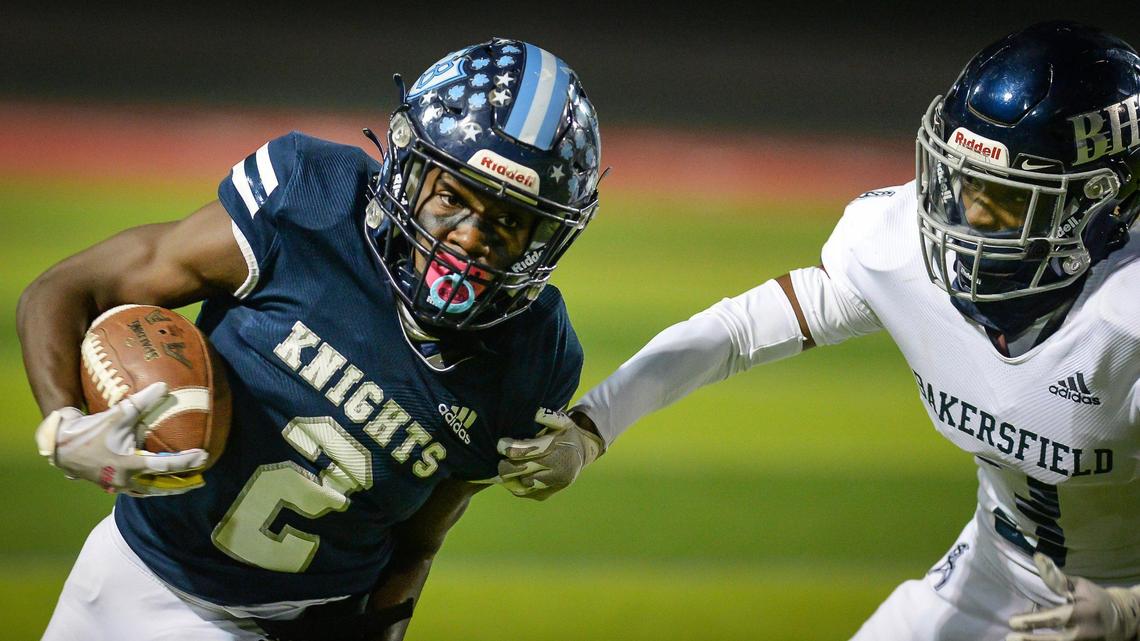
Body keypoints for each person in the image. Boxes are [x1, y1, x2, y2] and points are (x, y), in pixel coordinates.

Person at [494, 21, 1140, 641]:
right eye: (964, 180)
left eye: (1009, 199)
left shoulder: (1125, 321)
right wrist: (593, 426)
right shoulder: (900, 243)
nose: (966, 217)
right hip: (991, 574)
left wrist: (1125, 610)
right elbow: (738, 330)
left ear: (1104, 203)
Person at [18, 38, 603, 641]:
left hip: (306, 622)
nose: (470, 238)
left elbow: (415, 545)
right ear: (408, 168)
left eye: (509, 220)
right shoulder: (310, 204)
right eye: (452, 197)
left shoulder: (531, 355)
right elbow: (69, 289)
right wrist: (64, 423)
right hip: (131, 577)